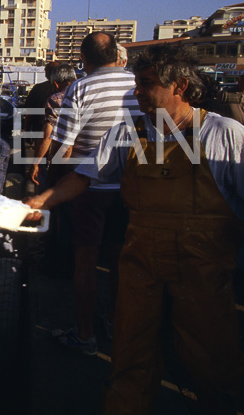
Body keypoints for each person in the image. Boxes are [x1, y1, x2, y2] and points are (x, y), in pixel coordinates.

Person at [25, 44, 244, 414]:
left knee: (212, 359)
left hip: (204, 274)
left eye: (146, 85)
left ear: (181, 88)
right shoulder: (128, 133)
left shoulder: (225, 135)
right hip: (141, 267)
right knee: (130, 355)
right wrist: (41, 201)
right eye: (137, 84)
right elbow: (84, 177)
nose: (136, 93)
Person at [49, 31, 139, 354]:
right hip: (130, 189)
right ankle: (115, 325)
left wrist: (58, 184)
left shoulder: (80, 88)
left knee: (85, 261)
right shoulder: (135, 84)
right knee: (119, 261)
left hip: (89, 188)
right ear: (116, 54)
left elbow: (63, 148)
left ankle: (84, 335)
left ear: (83, 60)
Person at [28, 63, 77, 191]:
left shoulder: (56, 99)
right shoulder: (88, 94)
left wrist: (35, 163)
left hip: (62, 162)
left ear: (55, 84)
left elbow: (48, 136)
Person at [22, 61, 60, 137]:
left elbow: (29, 113)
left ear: (46, 74)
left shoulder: (38, 88)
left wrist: (27, 132)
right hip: (59, 133)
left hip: (40, 132)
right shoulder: (65, 90)